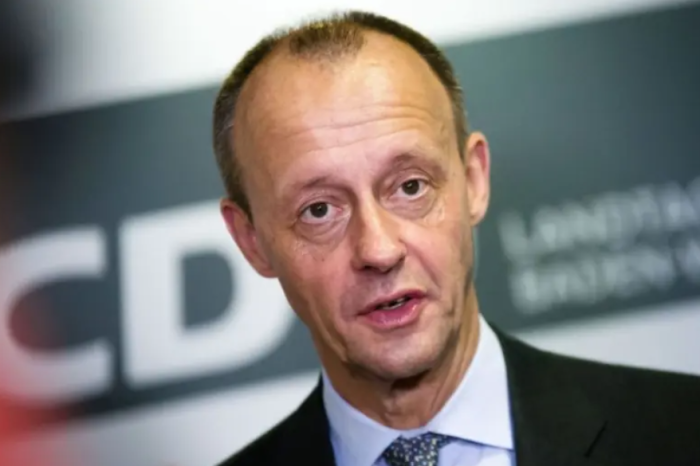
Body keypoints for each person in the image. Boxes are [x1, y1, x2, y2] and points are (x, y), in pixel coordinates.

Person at [211, 10, 700, 466]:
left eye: (410, 187)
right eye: (319, 210)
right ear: (251, 241)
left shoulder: (682, 431)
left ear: (473, 181)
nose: (379, 250)